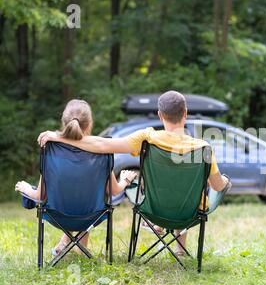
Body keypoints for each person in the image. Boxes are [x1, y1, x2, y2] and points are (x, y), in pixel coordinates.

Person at [37, 91, 230, 256]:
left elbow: (102, 144)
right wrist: (225, 182)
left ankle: (163, 229)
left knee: (168, 191)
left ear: (160, 115)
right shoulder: (204, 148)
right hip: (189, 213)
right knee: (187, 192)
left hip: (153, 209)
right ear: (185, 114)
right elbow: (217, 186)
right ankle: (179, 249)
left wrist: (60, 136)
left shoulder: (148, 137)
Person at [16, 99, 137, 256]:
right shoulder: (101, 151)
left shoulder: (51, 150)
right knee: (85, 198)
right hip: (92, 215)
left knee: (73, 197)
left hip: (57, 214)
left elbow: (40, 195)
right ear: (89, 123)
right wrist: (125, 180)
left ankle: (69, 245)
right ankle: (79, 248)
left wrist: (26, 188)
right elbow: (114, 191)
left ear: (64, 122)